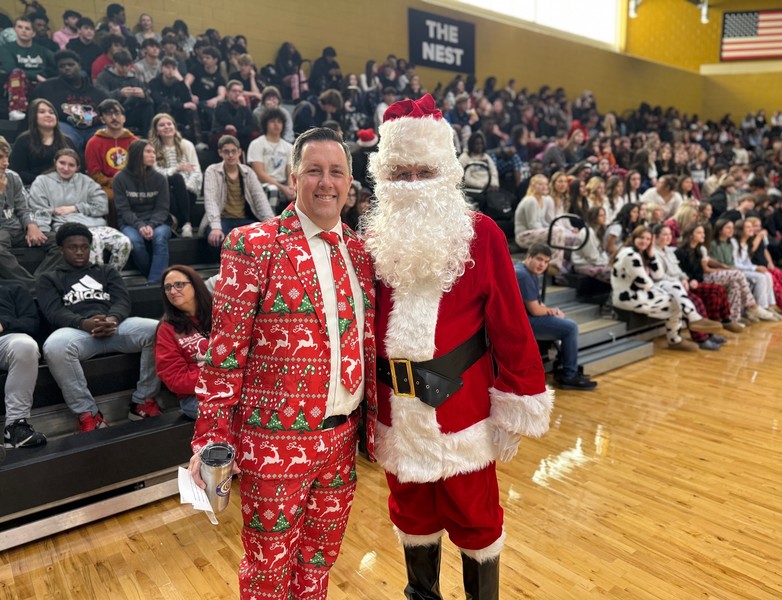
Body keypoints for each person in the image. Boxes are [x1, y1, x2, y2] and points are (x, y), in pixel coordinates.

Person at [363, 94, 551, 599]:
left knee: (476, 519)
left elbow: (511, 325)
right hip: (396, 412)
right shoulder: (372, 241)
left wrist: (516, 400)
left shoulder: (482, 235)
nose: (412, 183)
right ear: (384, 177)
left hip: (462, 410)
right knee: (411, 515)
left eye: (424, 171)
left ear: (446, 173)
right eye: (400, 173)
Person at [187, 127, 376, 598]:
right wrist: (211, 439)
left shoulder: (361, 252)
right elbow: (223, 354)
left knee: (318, 564)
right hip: (275, 441)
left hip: (342, 440)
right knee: (267, 572)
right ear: (293, 178)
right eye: (314, 171)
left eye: (337, 172)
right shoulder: (253, 244)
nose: (326, 182)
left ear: (350, 182)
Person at [37, 222, 160, 431]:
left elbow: (122, 300)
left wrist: (112, 319)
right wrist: (83, 323)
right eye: (73, 247)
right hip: (77, 333)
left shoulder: (106, 270)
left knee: (158, 329)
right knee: (54, 346)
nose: (79, 251)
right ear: (61, 249)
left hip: (114, 327)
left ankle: (143, 401)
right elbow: (54, 312)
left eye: (84, 247)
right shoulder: (49, 278)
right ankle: (89, 414)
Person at [28, 148, 131, 271]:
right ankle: (93, 279)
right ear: (55, 162)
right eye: (62, 163)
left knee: (124, 242)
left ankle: (111, 276)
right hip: (68, 226)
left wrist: (75, 208)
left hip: (96, 225)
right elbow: (39, 209)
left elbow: (102, 206)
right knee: (94, 242)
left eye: (71, 165)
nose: (66, 168)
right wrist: (43, 230)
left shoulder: (86, 181)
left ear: (77, 167)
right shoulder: (42, 181)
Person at [612, 226, 712, 352]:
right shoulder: (629, 254)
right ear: (633, 238)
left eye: (648, 239)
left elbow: (658, 275)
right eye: (641, 238)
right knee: (675, 299)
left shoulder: (642, 253)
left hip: (641, 293)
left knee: (674, 294)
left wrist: (652, 255)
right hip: (629, 297)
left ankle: (688, 324)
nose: (644, 241)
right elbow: (644, 283)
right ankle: (679, 334)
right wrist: (662, 290)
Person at [517, 243, 597, 389]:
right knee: (570, 327)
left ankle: (564, 367)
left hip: (525, 318)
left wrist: (552, 312)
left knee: (564, 322)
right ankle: (569, 375)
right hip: (521, 322)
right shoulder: (523, 276)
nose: (542, 265)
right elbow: (535, 310)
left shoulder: (527, 271)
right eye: (539, 259)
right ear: (528, 257)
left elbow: (537, 305)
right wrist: (552, 311)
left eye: (546, 261)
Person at [0, 136, 63, 289]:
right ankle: (33, 287)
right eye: (0, 157)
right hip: (1, 232)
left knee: (61, 241)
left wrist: (31, 225)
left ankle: (39, 281)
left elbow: (24, 208)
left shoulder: (13, 176)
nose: (6, 163)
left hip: (17, 229)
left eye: (7, 157)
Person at [155, 265, 211, 420]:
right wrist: (217, 376)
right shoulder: (166, 329)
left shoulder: (220, 312)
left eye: (179, 284)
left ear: (195, 285)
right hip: (195, 397)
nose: (173, 291)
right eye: (168, 288)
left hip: (234, 386)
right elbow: (174, 377)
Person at [113, 139, 171, 284]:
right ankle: (152, 275)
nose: (153, 155)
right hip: (130, 223)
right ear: (137, 154)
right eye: (148, 152)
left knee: (159, 238)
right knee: (134, 242)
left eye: (154, 152)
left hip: (157, 222)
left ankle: (154, 283)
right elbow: (123, 210)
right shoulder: (120, 178)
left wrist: (151, 225)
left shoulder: (160, 178)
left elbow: (162, 208)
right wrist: (139, 226)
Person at [202, 135, 273, 247]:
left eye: (233, 151)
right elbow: (211, 200)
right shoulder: (212, 171)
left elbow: (259, 198)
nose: (230, 155)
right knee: (219, 239)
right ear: (220, 153)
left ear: (239, 152)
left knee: (262, 238)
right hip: (222, 220)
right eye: (226, 152)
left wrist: (271, 224)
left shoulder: (248, 172)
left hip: (244, 219)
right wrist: (215, 226)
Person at [28, 50, 107, 150]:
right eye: (62, 66)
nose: (67, 68)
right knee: (63, 134)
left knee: (107, 133)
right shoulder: (46, 88)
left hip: (93, 129)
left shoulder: (97, 92)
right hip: (66, 127)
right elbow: (32, 110)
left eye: (71, 65)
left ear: (79, 66)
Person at [1, 281, 46, 448]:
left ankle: (15, 428)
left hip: (5, 340)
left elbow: (31, 323)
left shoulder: (14, 289)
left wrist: (4, 323)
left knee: (26, 346)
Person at [148, 112, 201, 238]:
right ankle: (186, 223)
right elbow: (155, 173)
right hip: (164, 190)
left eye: (169, 124)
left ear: (174, 126)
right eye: (162, 125)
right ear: (156, 130)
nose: (166, 127)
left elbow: (196, 171)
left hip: (188, 191)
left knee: (178, 180)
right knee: (173, 180)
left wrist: (184, 187)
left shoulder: (186, 145)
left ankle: (177, 223)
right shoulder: (151, 148)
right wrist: (176, 169)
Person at [84, 98, 138, 214]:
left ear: (124, 118)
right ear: (102, 119)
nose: (114, 117)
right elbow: (94, 174)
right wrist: (116, 183)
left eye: (117, 113)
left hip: (132, 183)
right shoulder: (93, 142)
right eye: (108, 114)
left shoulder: (135, 142)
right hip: (106, 186)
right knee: (111, 198)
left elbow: (140, 169)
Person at [0, 17, 56, 120]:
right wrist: (36, 76)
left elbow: (58, 60)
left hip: (40, 85)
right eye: (20, 27)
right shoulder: (6, 48)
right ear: (15, 30)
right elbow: (10, 68)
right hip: (15, 85)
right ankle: (16, 109)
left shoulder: (41, 50)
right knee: (16, 72)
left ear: (33, 33)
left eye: (27, 28)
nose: (23, 31)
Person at [9, 97, 74, 185]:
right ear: (33, 116)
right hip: (31, 187)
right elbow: (17, 171)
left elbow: (77, 168)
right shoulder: (23, 140)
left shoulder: (67, 141)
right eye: (42, 112)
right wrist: (44, 181)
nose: (48, 115)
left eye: (51, 112)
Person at [95, 49, 154, 135]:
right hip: (113, 112)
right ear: (115, 63)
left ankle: (147, 135)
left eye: (128, 65)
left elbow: (149, 99)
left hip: (131, 112)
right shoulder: (103, 77)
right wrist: (120, 94)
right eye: (122, 65)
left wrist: (143, 95)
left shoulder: (133, 78)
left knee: (148, 107)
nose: (125, 68)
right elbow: (100, 97)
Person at [246, 107, 295, 209]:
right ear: (266, 124)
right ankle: (270, 218)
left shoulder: (289, 147)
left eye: (279, 122)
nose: (276, 124)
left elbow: (291, 172)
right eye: (272, 121)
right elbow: (259, 174)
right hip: (262, 184)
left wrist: (291, 186)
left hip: (283, 184)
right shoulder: (257, 144)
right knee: (273, 190)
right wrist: (282, 188)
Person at [210, 79, 259, 150]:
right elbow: (234, 124)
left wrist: (240, 131)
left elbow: (253, 126)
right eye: (234, 91)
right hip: (222, 136)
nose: (237, 94)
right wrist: (242, 107)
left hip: (240, 135)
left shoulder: (244, 107)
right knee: (231, 133)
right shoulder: (221, 107)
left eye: (240, 92)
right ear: (227, 93)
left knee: (254, 134)